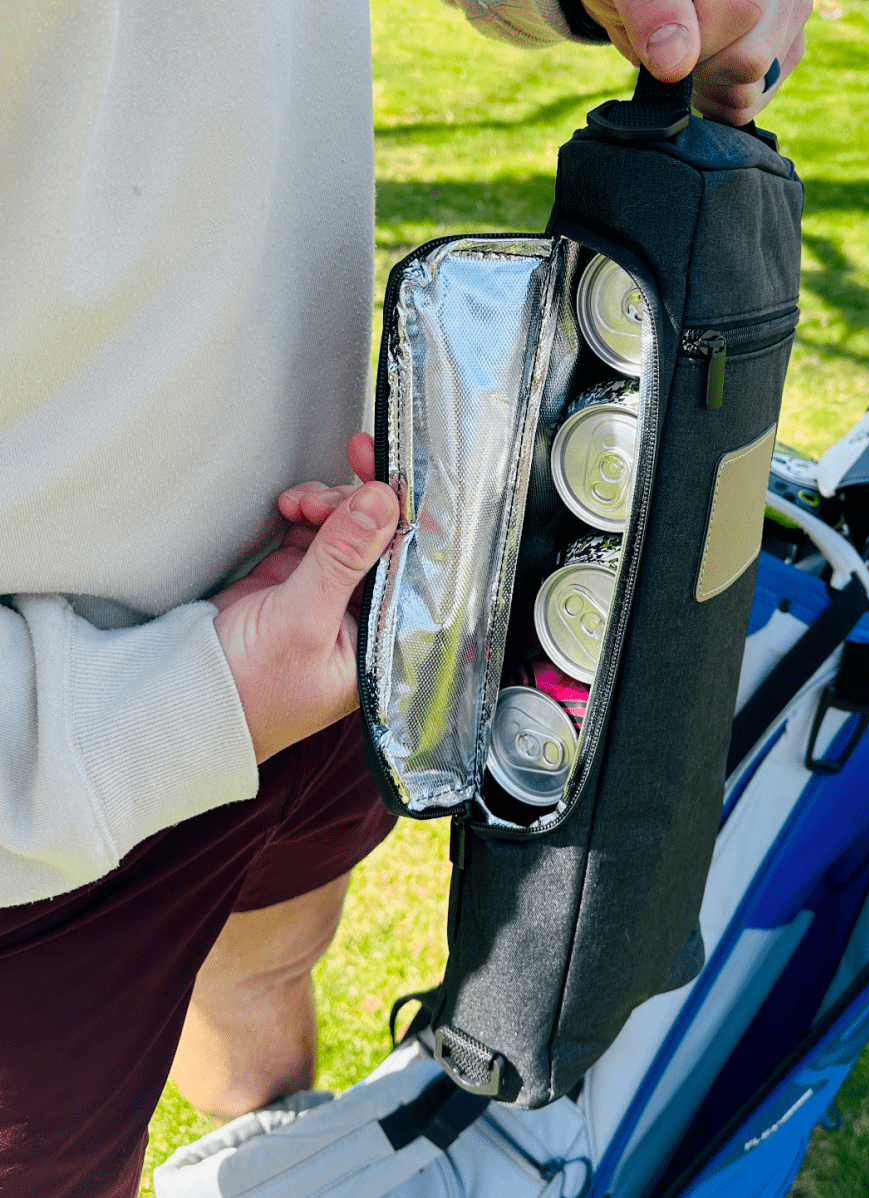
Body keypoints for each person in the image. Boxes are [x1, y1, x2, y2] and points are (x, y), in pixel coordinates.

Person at [0, 0, 812, 1193]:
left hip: (342, 618)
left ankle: (282, 1147)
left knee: (268, 965)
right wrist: (175, 706)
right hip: (42, 819)